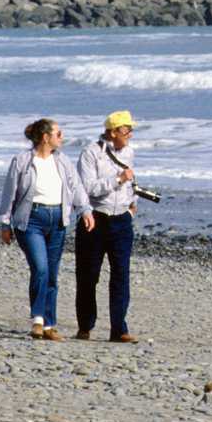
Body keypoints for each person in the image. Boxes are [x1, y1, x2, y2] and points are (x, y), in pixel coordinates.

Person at [0, 118, 95, 340]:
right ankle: (38, 320)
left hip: (58, 220)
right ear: (45, 137)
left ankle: (50, 325)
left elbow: (76, 187)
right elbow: (9, 193)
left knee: (52, 273)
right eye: (58, 134)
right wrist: (5, 223)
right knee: (40, 268)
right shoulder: (22, 161)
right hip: (31, 220)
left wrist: (85, 210)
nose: (62, 137)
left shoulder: (62, 160)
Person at [75, 109, 141, 343]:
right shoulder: (91, 153)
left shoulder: (129, 152)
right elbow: (88, 188)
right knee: (88, 275)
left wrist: (133, 205)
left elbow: (132, 179)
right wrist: (118, 179)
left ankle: (119, 329)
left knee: (121, 275)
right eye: (126, 130)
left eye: (131, 130)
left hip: (121, 220)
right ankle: (85, 326)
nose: (130, 134)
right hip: (95, 218)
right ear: (113, 132)